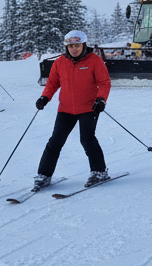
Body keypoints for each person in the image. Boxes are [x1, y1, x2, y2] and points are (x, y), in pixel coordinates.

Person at [32, 30, 112, 191]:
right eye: (70, 45)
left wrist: (101, 99)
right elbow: (52, 84)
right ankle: (44, 175)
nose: (74, 48)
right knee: (55, 141)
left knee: (87, 139)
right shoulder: (60, 63)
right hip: (66, 109)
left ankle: (99, 171)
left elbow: (104, 82)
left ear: (83, 45)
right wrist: (44, 98)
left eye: (77, 45)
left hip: (89, 108)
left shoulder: (95, 61)